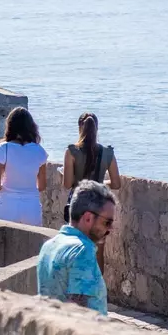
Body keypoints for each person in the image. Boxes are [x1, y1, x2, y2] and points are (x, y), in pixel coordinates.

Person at [37, 180, 115, 315]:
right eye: (107, 222)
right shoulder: (82, 250)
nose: (110, 229)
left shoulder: (48, 246)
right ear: (88, 218)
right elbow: (78, 314)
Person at [63, 112, 121, 272]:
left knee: (76, 250)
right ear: (97, 128)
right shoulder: (107, 153)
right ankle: (98, 292)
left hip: (78, 208)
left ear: (79, 128)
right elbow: (116, 183)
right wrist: (99, 183)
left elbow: (67, 184)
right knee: (98, 253)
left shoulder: (71, 152)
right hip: (100, 208)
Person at [0, 107, 47, 226]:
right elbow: (42, 186)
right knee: (32, 244)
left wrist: (6, 190)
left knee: (3, 243)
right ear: (31, 127)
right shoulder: (39, 151)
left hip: (7, 205)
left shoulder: (3, 148)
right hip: (31, 206)